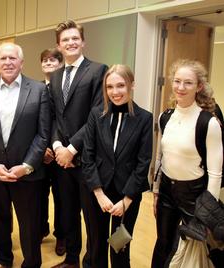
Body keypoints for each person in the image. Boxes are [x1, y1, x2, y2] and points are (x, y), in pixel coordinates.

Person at [0, 42, 50, 268]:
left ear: (21, 62)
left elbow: (43, 134)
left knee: (30, 225)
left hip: (27, 173)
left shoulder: (38, 90)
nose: (7, 62)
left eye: (12, 58)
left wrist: (26, 166)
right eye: (3, 58)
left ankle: (32, 263)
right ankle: (4, 261)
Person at [151, 59, 223, 267]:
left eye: (188, 83)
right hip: (166, 192)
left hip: (195, 195)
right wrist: (156, 191)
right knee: (163, 243)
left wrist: (208, 212)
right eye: (177, 81)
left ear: (199, 86)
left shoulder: (208, 122)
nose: (181, 87)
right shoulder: (165, 117)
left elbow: (215, 172)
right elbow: (160, 158)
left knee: (197, 249)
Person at [48, 20, 107, 268]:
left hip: (88, 158)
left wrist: (72, 148)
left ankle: (91, 262)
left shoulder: (97, 70)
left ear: (83, 41)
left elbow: (97, 114)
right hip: (62, 159)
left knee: (92, 217)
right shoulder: (56, 75)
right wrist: (57, 146)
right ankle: (71, 259)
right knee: (68, 212)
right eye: (65, 40)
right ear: (59, 46)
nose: (71, 43)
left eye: (75, 38)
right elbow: (54, 115)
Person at [81, 64, 153, 267]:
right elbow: (88, 156)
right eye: (109, 87)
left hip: (127, 194)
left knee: (120, 246)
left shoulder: (144, 118)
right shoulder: (96, 115)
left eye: (120, 85)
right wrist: (99, 194)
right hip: (98, 193)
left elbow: (143, 162)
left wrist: (127, 200)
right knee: (96, 247)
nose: (115, 92)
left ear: (132, 85)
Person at [40, 48, 66, 255]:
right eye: (45, 60)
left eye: (53, 60)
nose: (49, 63)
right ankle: (41, 228)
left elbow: (63, 121)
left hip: (60, 152)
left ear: (61, 64)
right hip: (39, 152)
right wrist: (42, 149)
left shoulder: (64, 89)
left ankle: (61, 236)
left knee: (61, 197)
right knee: (38, 195)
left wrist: (55, 147)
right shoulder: (35, 88)